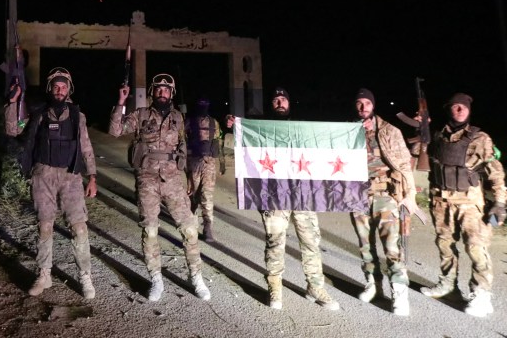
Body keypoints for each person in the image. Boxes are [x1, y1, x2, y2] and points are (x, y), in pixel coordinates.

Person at [226, 87, 339, 311]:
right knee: (275, 242)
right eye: (276, 99)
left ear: (289, 103)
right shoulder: (264, 129)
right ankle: (275, 287)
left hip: (303, 195)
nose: (279, 102)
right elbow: (245, 137)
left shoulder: (302, 127)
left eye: (283, 99)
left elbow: (326, 141)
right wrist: (235, 125)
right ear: (272, 104)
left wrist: (353, 129)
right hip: (275, 196)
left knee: (311, 242)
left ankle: (315, 287)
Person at [109, 73, 211, 302]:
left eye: (166, 89)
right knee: (150, 230)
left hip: (173, 180)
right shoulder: (141, 115)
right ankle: (156, 278)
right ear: (153, 92)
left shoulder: (178, 118)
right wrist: (121, 102)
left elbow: (184, 147)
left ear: (171, 94)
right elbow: (115, 130)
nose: (162, 92)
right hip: (147, 179)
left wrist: (189, 179)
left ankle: (196, 277)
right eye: (158, 89)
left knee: (189, 228)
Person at [6, 67, 98, 300]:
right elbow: (12, 129)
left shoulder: (78, 115)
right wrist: (13, 103)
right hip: (43, 174)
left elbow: (86, 146)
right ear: (50, 89)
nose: (59, 90)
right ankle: (44, 274)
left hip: (71, 177)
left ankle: (85, 275)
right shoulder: (38, 113)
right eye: (56, 87)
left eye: (63, 86)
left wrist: (93, 177)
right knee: (45, 225)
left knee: (78, 226)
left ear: (69, 90)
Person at [421, 92, 507, 318]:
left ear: (469, 110)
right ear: (448, 109)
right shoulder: (437, 136)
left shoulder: (480, 138)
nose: (459, 110)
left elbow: (495, 172)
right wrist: (419, 132)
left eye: (463, 107)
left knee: (475, 247)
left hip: (469, 202)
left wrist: (500, 202)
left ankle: (481, 295)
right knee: (444, 245)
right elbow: (422, 159)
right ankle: (448, 285)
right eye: (455, 106)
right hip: (441, 201)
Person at [351, 88, 423, 317]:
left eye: (367, 103)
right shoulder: (348, 131)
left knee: (392, 247)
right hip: (358, 196)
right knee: (365, 246)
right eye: (359, 103)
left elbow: (403, 164)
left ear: (373, 106)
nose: (363, 107)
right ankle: (372, 284)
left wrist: (410, 196)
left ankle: (399, 292)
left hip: (385, 195)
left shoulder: (390, 131)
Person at [184, 97, 224, 242]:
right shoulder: (189, 122)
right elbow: (182, 142)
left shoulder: (214, 122)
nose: (203, 107)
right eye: (200, 104)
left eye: (205, 105)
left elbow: (218, 143)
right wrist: (184, 164)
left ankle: (207, 227)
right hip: (193, 162)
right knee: (193, 195)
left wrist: (222, 162)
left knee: (207, 196)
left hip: (209, 163)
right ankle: (190, 224)